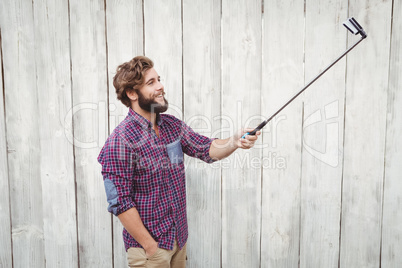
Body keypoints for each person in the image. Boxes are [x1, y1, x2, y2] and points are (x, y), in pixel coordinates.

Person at [97, 56, 260, 268]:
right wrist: (150, 247)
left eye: (159, 79)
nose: (160, 86)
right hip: (151, 251)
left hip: (178, 241)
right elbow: (120, 202)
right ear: (131, 93)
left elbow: (205, 148)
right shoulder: (120, 141)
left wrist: (234, 141)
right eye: (151, 83)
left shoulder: (171, 126)